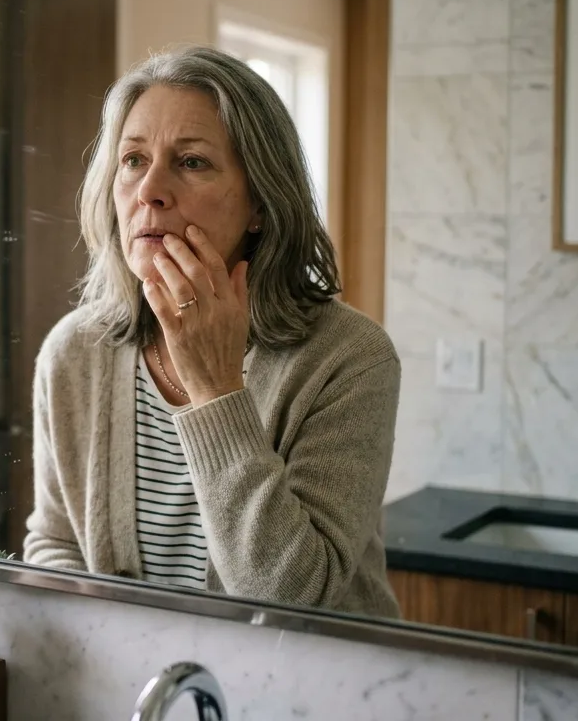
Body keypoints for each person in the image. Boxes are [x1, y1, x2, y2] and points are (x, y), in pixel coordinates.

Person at [24, 45, 401, 618]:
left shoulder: (350, 359)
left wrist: (217, 392)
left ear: (259, 203)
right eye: (132, 160)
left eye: (191, 161)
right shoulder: (74, 352)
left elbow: (293, 602)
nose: (150, 189)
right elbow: (54, 545)